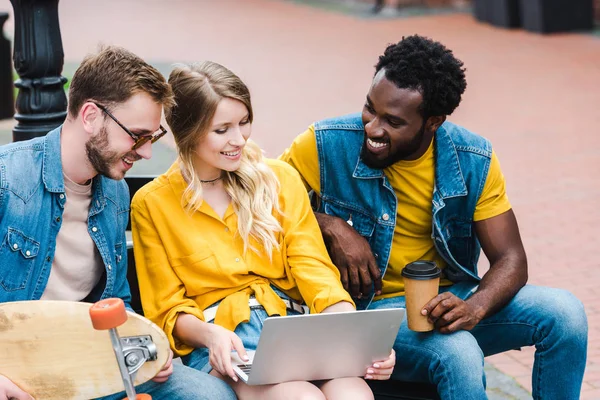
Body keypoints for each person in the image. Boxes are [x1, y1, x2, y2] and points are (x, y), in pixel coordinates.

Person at [279, 34, 588, 399]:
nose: (373, 128)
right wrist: (329, 225)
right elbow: (261, 203)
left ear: (433, 122)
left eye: (393, 122)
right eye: (369, 108)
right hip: (367, 313)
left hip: (449, 301)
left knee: (566, 315)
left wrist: (475, 307)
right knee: (458, 351)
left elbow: (511, 259)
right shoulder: (325, 144)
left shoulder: (472, 159)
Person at [130, 61, 395, 400]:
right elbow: (167, 308)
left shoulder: (279, 179)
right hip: (223, 344)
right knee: (302, 398)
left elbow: (312, 266)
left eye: (244, 122)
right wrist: (211, 337)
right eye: (222, 129)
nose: (239, 139)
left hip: (292, 333)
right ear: (188, 132)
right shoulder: (153, 204)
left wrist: (353, 335)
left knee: (354, 394)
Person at [0, 46, 236, 400]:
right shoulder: (7, 178)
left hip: (91, 361)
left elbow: (115, 302)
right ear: (91, 116)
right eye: (137, 135)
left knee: (213, 396)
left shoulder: (115, 193)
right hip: (15, 367)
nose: (145, 152)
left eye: (152, 138)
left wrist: (146, 348)